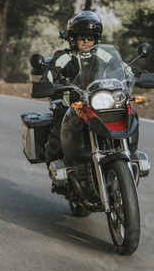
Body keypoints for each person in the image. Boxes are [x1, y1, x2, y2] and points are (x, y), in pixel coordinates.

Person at [40, 11, 144, 168]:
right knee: (57, 141)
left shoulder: (102, 54)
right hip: (73, 107)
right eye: (83, 37)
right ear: (73, 38)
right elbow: (50, 73)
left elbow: (124, 68)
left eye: (92, 37)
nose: (87, 41)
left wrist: (141, 75)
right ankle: (58, 172)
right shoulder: (64, 57)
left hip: (100, 104)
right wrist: (46, 83)